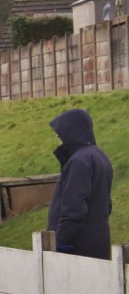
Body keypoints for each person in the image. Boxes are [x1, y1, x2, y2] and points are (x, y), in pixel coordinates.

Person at [47, 109, 113, 260]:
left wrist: (61, 242)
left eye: (61, 130)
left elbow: (74, 208)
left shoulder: (79, 161)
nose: (57, 135)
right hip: (98, 240)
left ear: (72, 130)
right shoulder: (99, 156)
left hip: (78, 246)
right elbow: (107, 204)